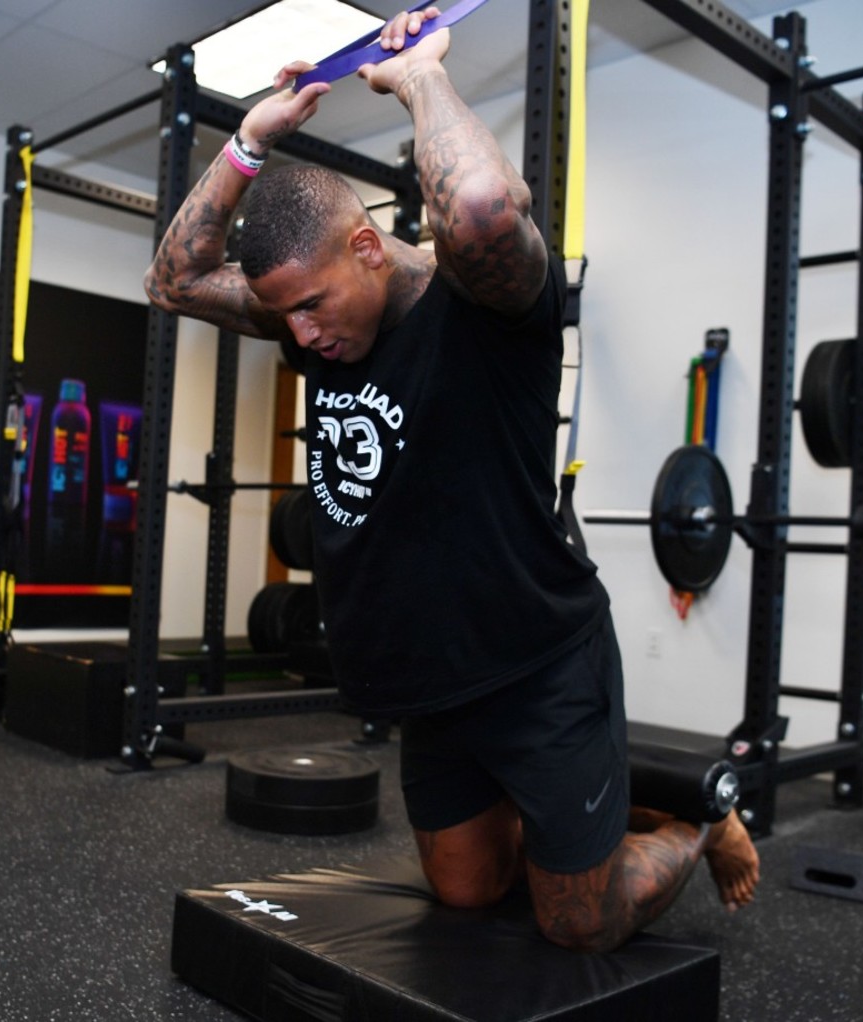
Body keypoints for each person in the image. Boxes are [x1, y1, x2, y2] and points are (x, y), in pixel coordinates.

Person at [145, 5, 758, 952]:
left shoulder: (489, 305)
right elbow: (175, 280)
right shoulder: (310, 317)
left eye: (309, 306)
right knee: (471, 893)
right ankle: (583, 819)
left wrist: (422, 76)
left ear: (365, 247)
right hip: (429, 682)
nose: (300, 337)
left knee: (578, 923)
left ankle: (696, 819)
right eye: (284, 316)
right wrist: (250, 141)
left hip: (535, 660)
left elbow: (477, 208)